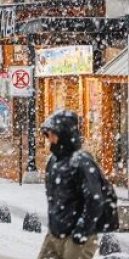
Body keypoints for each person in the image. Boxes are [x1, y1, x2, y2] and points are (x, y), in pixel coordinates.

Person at [37, 110, 118, 259]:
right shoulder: (53, 161)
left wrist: (82, 231)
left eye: (52, 134)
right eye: (47, 135)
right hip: (56, 233)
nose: (49, 138)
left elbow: (95, 199)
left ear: (64, 134)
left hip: (77, 237)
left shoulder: (81, 161)